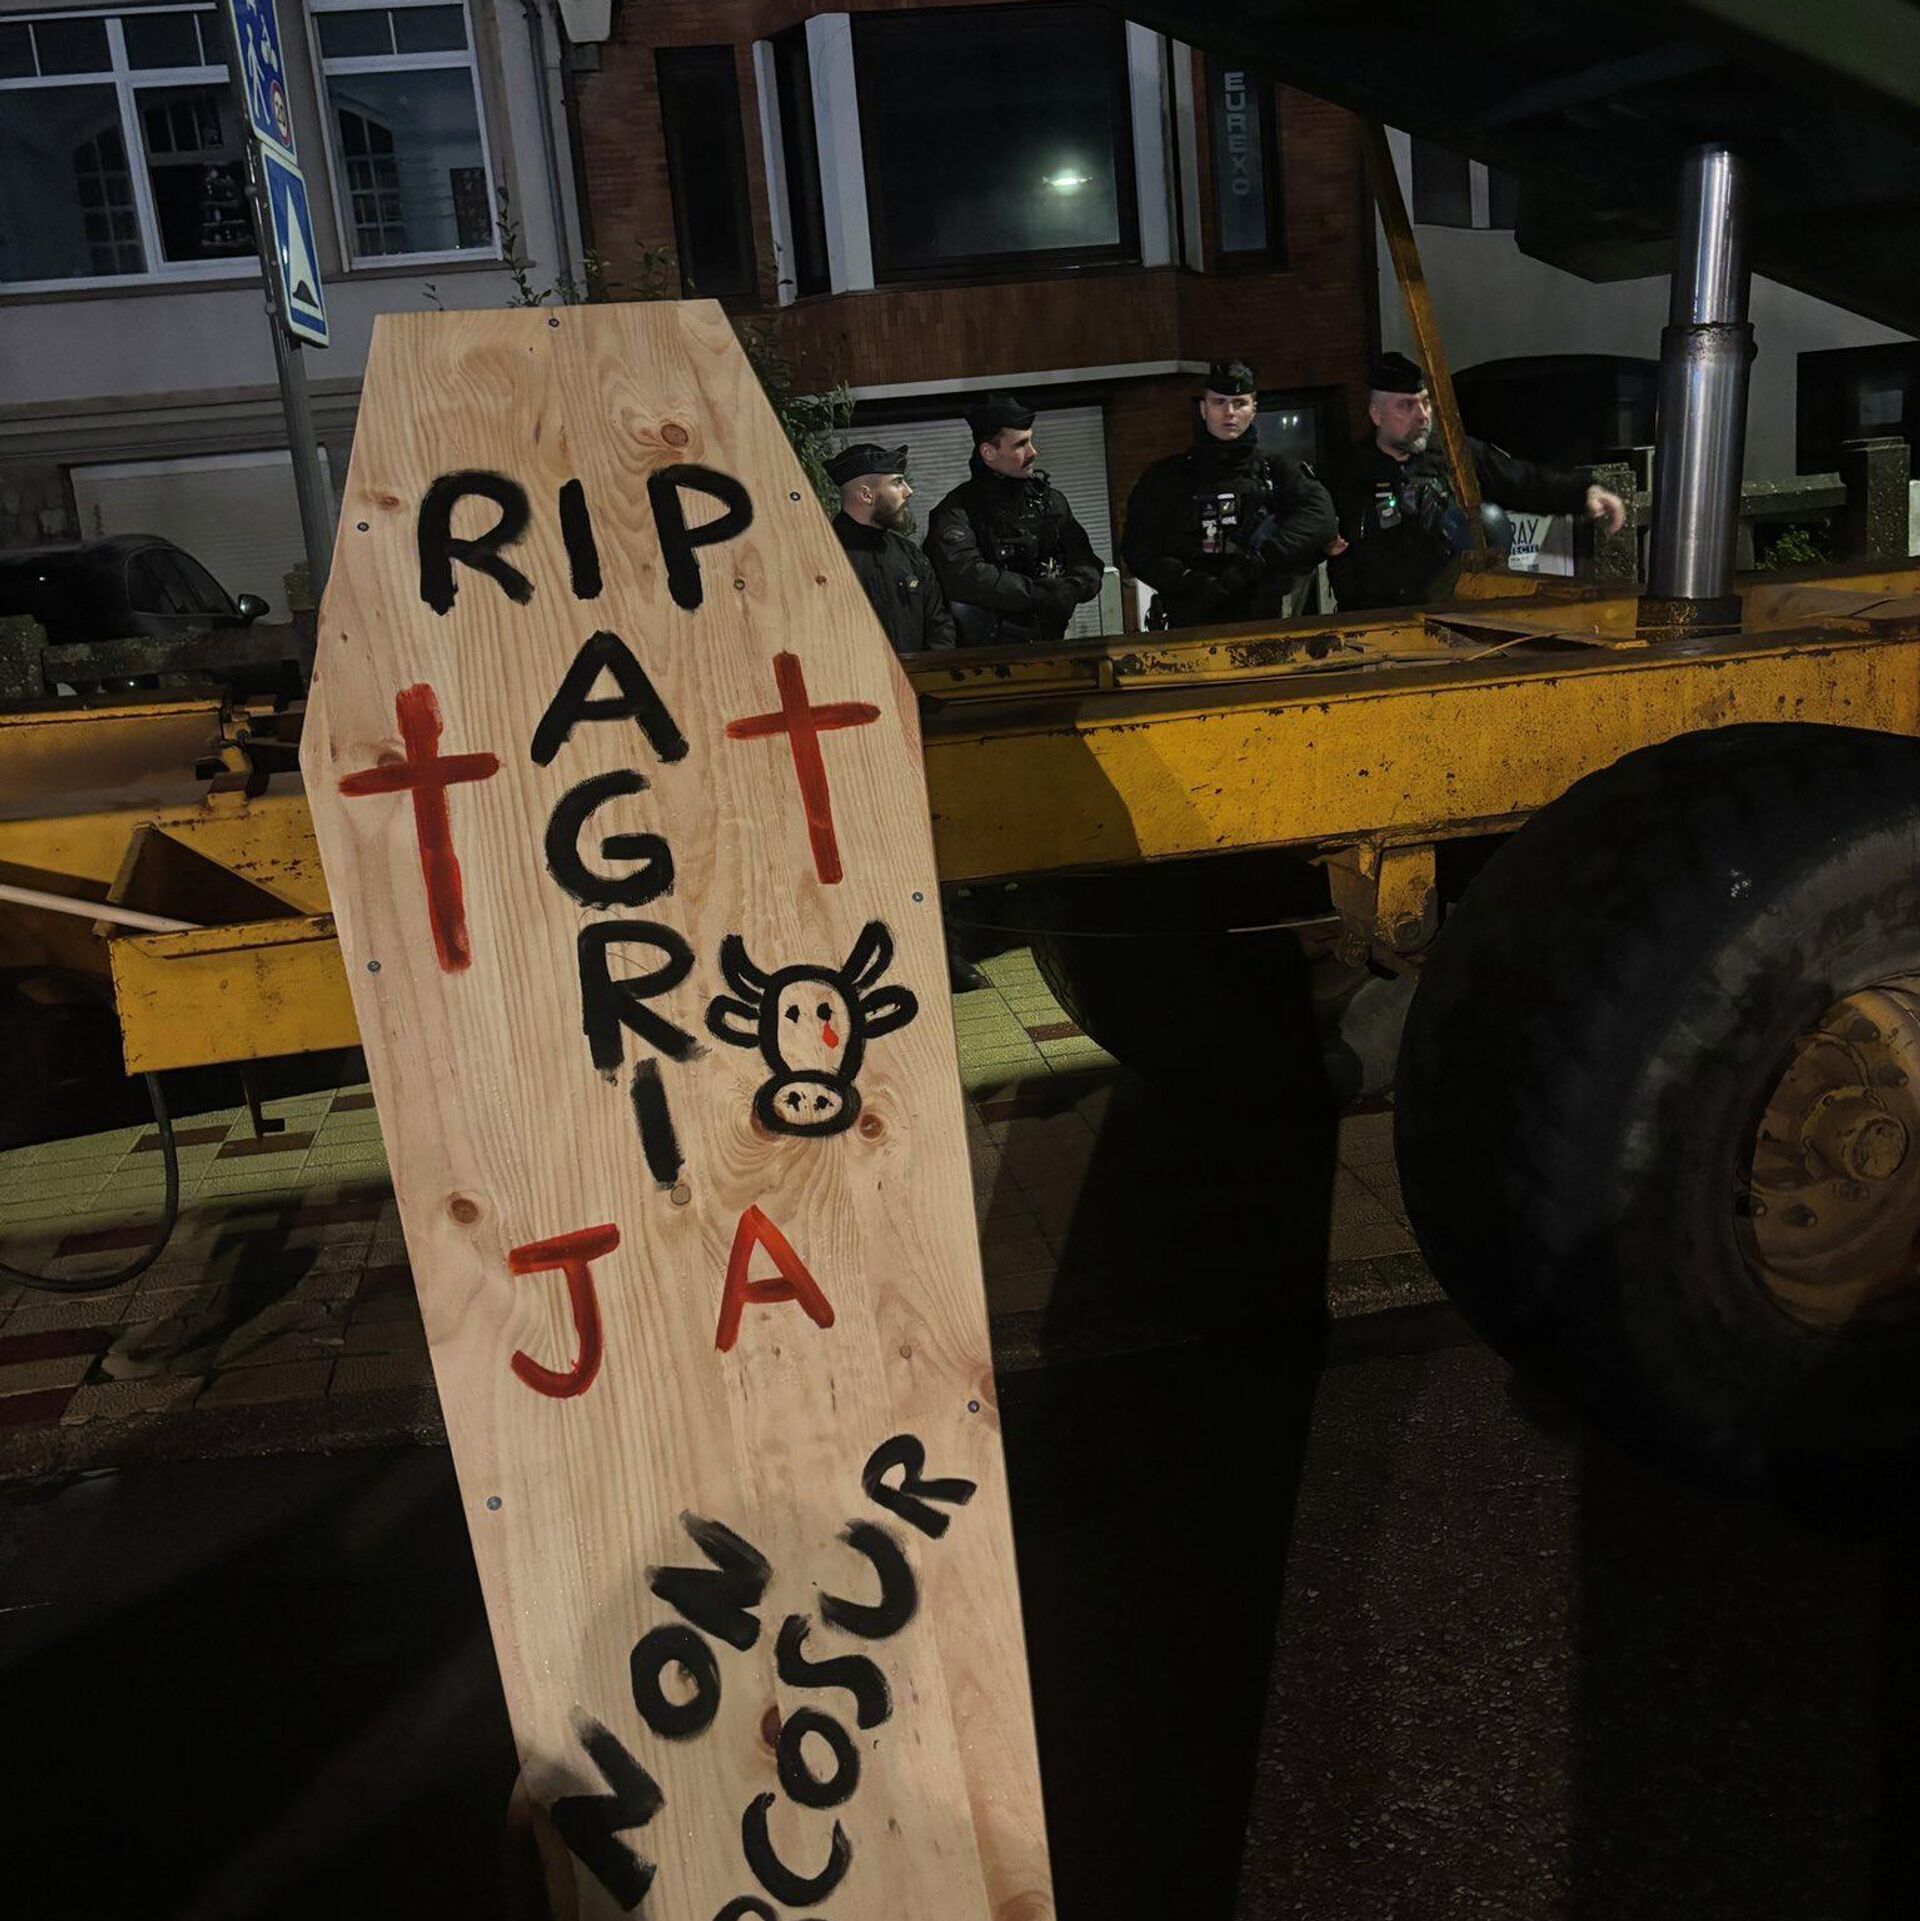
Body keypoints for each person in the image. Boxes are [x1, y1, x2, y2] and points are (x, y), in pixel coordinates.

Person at [1327, 351, 1629, 611]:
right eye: (1406, 406)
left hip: (1450, 614)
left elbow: (1520, 480)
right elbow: (1317, 527)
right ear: (1377, 415)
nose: (1422, 415)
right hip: (1376, 621)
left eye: (1425, 403)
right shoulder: (1349, 472)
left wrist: (1582, 493)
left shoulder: (1452, 454)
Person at [1122, 358, 1338, 629]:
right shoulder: (1166, 478)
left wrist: (1260, 561)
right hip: (1189, 624)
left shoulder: (1276, 471)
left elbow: (1321, 518)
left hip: (1265, 621)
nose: (1229, 412)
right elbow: (1138, 547)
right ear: (1203, 409)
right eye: (1219, 402)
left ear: (1253, 409)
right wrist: (1187, 580)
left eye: (1239, 403)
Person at [926, 393, 1104, 647]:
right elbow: (966, 576)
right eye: (1021, 445)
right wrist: (1039, 594)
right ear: (988, 452)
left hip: (1051, 645)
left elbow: (1086, 560)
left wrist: (1073, 587)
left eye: (1031, 441)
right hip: (985, 653)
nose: (1033, 452)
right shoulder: (957, 511)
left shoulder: (1050, 502)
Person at [826, 441, 956, 655]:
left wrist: (928, 670)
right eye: (897, 483)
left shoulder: (909, 554)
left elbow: (939, 625)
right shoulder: (825, 557)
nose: (908, 491)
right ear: (866, 495)